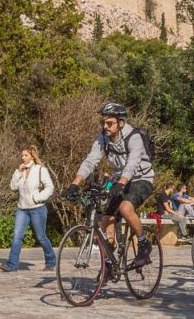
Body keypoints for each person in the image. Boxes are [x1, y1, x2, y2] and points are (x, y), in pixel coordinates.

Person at [65, 103, 155, 269]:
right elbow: (91, 160)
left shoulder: (133, 137)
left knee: (126, 209)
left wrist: (121, 183)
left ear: (120, 123)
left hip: (141, 178)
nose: (105, 126)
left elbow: (133, 163)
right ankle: (108, 263)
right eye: (103, 123)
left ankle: (143, 243)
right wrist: (74, 184)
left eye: (109, 123)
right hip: (120, 179)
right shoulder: (103, 138)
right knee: (106, 219)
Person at [1, 145, 56, 272]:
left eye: (25, 155)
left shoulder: (40, 169)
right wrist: (18, 172)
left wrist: (38, 197)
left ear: (32, 156)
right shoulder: (21, 170)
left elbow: (50, 187)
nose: (23, 157)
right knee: (17, 236)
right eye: (22, 155)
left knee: (41, 237)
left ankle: (51, 261)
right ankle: (12, 264)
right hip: (22, 208)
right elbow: (13, 187)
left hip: (37, 208)